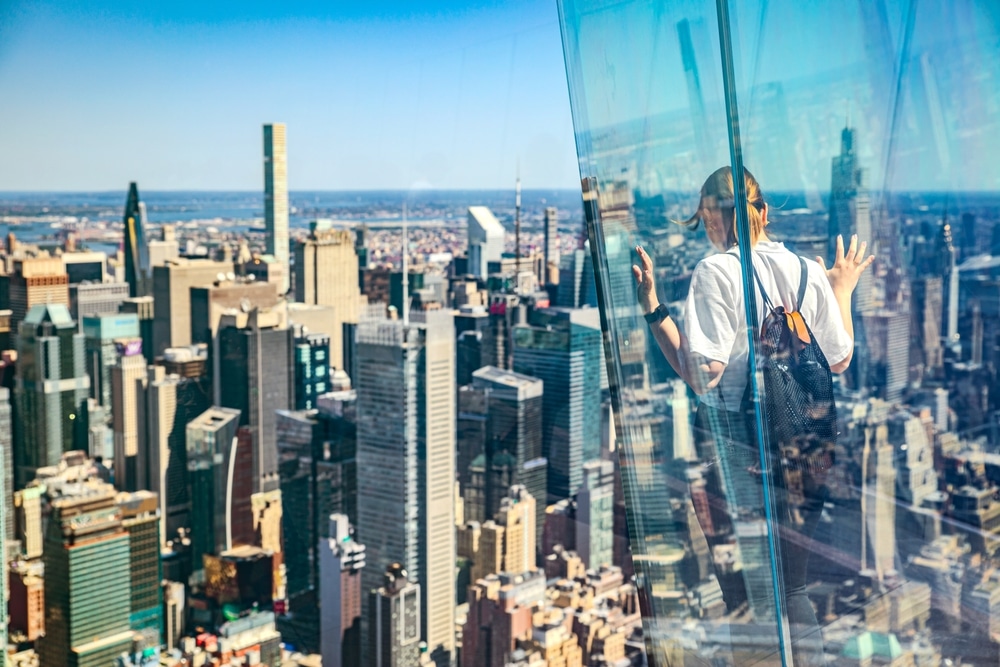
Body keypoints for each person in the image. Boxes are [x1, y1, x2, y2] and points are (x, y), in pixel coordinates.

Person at [632, 166, 874, 665]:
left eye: (707, 220)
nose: (708, 231)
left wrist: (654, 311)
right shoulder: (807, 270)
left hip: (741, 447)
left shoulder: (715, 272)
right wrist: (840, 289)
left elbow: (705, 375)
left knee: (746, 591)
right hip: (805, 446)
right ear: (764, 211)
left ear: (716, 219)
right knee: (794, 587)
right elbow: (840, 358)